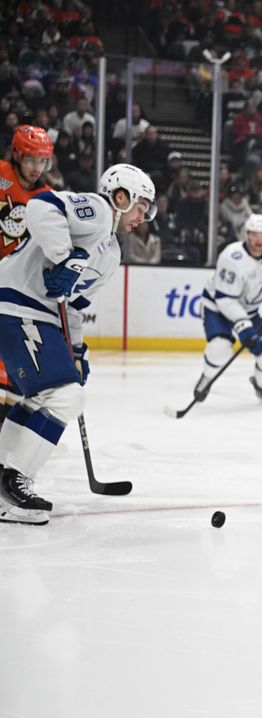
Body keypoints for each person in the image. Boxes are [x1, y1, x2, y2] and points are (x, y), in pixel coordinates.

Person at [0, 163, 155, 524]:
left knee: (40, 399)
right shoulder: (99, 211)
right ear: (122, 196)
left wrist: (78, 352)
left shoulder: (111, 253)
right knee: (66, 396)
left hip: (33, 312)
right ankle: (15, 481)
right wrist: (63, 257)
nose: (142, 216)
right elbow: (41, 207)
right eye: (140, 205)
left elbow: (75, 305)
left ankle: (4, 482)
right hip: (17, 302)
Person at [191, 214, 262, 407]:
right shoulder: (232, 258)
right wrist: (243, 326)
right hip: (218, 307)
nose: (259, 240)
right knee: (220, 347)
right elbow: (225, 299)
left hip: (248, 310)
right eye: (254, 234)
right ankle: (207, 377)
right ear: (246, 235)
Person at [0, 126, 54, 429]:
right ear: (18, 154)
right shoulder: (1, 174)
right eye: (31, 159)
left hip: (12, 286)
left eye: (42, 161)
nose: (37, 168)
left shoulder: (47, 198)